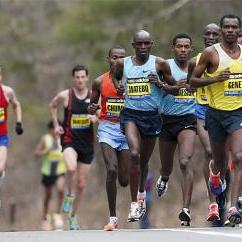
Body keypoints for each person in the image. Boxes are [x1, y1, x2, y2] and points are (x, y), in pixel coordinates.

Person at [113, 30, 175, 221]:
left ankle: (141, 194)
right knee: (133, 154)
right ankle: (133, 205)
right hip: (130, 114)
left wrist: (160, 83)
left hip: (151, 117)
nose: (142, 47)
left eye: (146, 43)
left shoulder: (160, 63)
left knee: (143, 162)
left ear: (151, 44)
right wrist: (119, 86)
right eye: (139, 44)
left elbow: (173, 86)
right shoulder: (122, 64)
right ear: (133, 45)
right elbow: (115, 77)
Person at [191, 14, 242, 225]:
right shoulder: (211, 54)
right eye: (226, 27)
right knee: (218, 162)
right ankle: (215, 175)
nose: (230, 30)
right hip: (215, 113)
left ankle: (233, 207)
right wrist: (214, 79)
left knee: (239, 156)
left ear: (239, 31)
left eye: (234, 27)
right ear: (221, 30)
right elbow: (192, 82)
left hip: (238, 112)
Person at [88, 46, 139, 231]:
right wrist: (92, 109)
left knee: (124, 180)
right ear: (108, 59)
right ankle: (113, 217)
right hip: (107, 129)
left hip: (127, 128)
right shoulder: (99, 82)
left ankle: (134, 199)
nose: (118, 61)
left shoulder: (132, 79)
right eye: (115, 57)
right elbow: (92, 105)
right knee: (111, 170)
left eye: (122, 58)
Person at [49, 65, 96, 230]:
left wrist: (95, 117)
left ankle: (73, 217)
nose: (80, 80)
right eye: (77, 77)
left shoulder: (93, 95)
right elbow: (52, 105)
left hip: (87, 144)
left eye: (83, 77)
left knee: (82, 184)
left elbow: (101, 112)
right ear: (73, 78)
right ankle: (69, 194)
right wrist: (56, 125)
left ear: (87, 78)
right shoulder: (66, 95)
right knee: (70, 167)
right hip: (69, 140)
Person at [156, 33, 196, 226]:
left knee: (185, 161)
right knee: (167, 166)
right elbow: (157, 88)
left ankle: (185, 210)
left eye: (186, 46)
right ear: (173, 48)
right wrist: (169, 86)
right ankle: (164, 178)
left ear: (191, 49)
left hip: (188, 119)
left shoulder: (197, 67)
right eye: (179, 46)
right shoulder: (165, 66)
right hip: (166, 121)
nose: (182, 50)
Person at [188, 23, 221, 222]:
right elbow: (190, 83)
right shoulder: (195, 61)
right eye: (207, 33)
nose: (210, 37)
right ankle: (213, 204)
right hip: (201, 112)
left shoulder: (229, 59)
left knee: (227, 158)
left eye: (214, 34)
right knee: (209, 151)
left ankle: (230, 200)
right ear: (203, 36)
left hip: (225, 111)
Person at [35, 120, 66, 231]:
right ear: (50, 129)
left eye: (57, 128)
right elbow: (37, 153)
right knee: (48, 196)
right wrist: (45, 151)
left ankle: (58, 214)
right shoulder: (45, 138)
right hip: (48, 171)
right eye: (53, 128)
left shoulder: (64, 139)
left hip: (60, 169)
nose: (55, 131)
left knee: (60, 189)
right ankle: (45, 217)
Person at [0, 66, 23, 207]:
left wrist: (18, 122)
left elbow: (17, 104)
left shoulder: (7, 92)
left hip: (1, 136)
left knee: (0, 168)